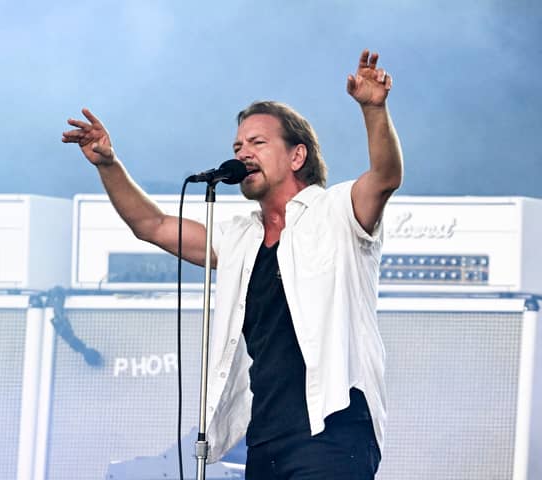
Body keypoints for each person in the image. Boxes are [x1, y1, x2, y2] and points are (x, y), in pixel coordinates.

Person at [63, 49, 403, 480]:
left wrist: (374, 109)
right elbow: (151, 225)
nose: (243, 152)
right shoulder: (239, 236)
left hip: (334, 426)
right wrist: (109, 165)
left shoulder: (337, 212)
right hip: (264, 438)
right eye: (238, 146)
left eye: (258, 143)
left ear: (297, 156)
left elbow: (386, 177)